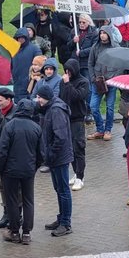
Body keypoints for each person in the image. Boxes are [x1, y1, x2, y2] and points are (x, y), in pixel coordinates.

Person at [0, 99, 42, 245]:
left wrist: (1, 169)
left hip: (10, 171)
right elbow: (41, 153)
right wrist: (34, 167)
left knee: (12, 201)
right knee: (28, 200)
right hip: (28, 170)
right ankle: (27, 233)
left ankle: (14, 232)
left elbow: (2, 150)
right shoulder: (36, 127)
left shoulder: (10, 126)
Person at [35, 85, 74, 237]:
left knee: (63, 190)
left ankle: (66, 223)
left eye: (40, 97)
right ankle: (61, 218)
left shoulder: (56, 111)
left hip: (60, 157)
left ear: (47, 97)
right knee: (59, 189)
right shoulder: (50, 108)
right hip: (55, 157)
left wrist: (50, 154)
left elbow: (61, 137)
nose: (38, 100)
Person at [59, 59, 89, 192]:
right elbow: (62, 97)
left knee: (78, 148)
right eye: (66, 70)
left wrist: (68, 84)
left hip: (77, 119)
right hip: (66, 118)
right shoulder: (63, 82)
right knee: (70, 149)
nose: (67, 72)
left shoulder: (83, 82)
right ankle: (76, 172)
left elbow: (76, 96)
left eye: (70, 70)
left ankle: (80, 177)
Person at [86, 26, 119, 141]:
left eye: (105, 33)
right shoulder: (95, 47)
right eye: (101, 33)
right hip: (98, 82)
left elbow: (120, 65)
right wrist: (93, 78)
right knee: (93, 106)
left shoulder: (115, 47)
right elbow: (90, 63)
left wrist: (115, 78)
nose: (102, 35)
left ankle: (108, 130)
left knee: (110, 107)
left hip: (111, 82)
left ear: (109, 34)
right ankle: (100, 129)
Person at [0, 87, 17, 229]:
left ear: (9, 100)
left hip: (13, 155)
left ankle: (16, 213)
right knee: (0, 183)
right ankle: (6, 211)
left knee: (14, 186)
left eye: (0, 101)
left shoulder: (17, 113)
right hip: (0, 153)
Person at [11, 28, 43, 103]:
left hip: (30, 85)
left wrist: (34, 77)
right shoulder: (13, 50)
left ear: (26, 38)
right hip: (17, 84)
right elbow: (11, 66)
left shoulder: (35, 49)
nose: (20, 40)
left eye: (22, 38)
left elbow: (40, 64)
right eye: (18, 38)